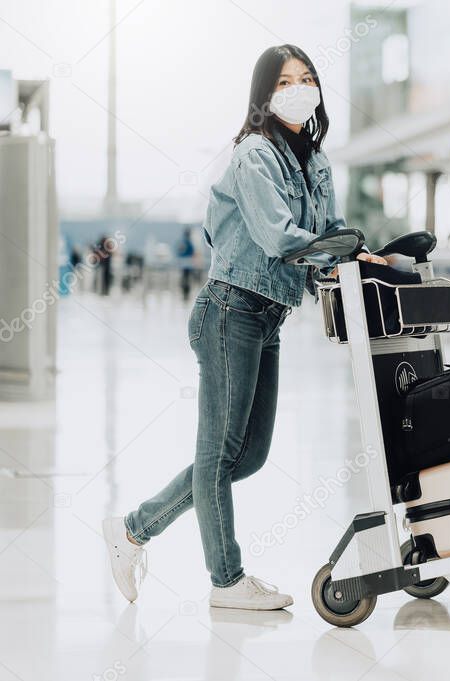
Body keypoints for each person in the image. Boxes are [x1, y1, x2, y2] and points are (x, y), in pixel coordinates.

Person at [101, 45, 386, 611]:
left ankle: (131, 530)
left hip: (268, 314)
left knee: (246, 457)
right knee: (219, 453)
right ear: (265, 94)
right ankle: (226, 581)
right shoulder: (254, 154)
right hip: (230, 310)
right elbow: (279, 236)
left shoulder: (317, 162)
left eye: (308, 78)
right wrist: (341, 247)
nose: (299, 88)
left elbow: (326, 233)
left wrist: (361, 256)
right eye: (286, 81)